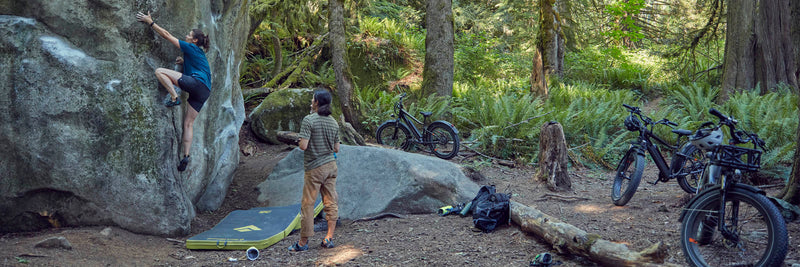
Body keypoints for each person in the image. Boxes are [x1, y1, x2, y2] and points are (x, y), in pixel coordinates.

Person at [136, 11, 211, 172]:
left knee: (159, 72)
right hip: (204, 90)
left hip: (196, 83)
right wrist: (184, 61)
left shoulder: (190, 47)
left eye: (189, 34)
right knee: (188, 123)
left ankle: (174, 96)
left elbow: (167, 35)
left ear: (194, 40)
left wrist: (150, 22)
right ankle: (186, 156)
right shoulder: (198, 53)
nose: (186, 35)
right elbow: (197, 66)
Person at [288, 89, 340, 252]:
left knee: (308, 204)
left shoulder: (309, 120)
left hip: (315, 168)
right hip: (331, 166)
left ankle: (303, 243)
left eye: (312, 100)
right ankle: (329, 238)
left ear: (317, 102)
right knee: (330, 202)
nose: (311, 102)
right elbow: (336, 148)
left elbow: (303, 146)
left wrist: (298, 140)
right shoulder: (333, 122)